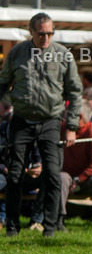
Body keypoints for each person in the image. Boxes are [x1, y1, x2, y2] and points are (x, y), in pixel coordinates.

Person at [0, 12, 83, 237]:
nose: (45, 38)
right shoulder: (17, 53)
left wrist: (72, 126)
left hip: (51, 121)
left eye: (50, 33)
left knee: (53, 175)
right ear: (31, 32)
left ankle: (49, 227)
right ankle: (12, 226)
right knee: (15, 174)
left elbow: (75, 92)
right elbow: (3, 82)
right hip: (22, 120)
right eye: (41, 33)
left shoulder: (63, 55)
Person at [61, 106, 92, 231]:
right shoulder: (62, 129)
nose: (65, 118)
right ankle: (58, 218)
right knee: (62, 178)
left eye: (68, 115)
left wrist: (79, 179)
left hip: (86, 178)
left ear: (80, 117)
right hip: (68, 175)